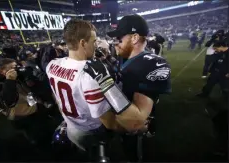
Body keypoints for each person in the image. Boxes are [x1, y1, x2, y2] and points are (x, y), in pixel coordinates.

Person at [46, 19, 149, 152]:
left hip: (72, 127)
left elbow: (57, 97)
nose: (96, 46)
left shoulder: (52, 65)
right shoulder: (89, 74)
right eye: (94, 42)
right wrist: (132, 129)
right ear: (83, 43)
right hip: (91, 131)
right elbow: (109, 122)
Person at [103, 14, 172, 161]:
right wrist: (106, 60)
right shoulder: (124, 57)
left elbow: (137, 121)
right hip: (122, 119)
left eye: (119, 38)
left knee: (135, 156)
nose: (115, 43)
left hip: (135, 130)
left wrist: (104, 83)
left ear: (134, 38)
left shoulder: (152, 64)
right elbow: (122, 73)